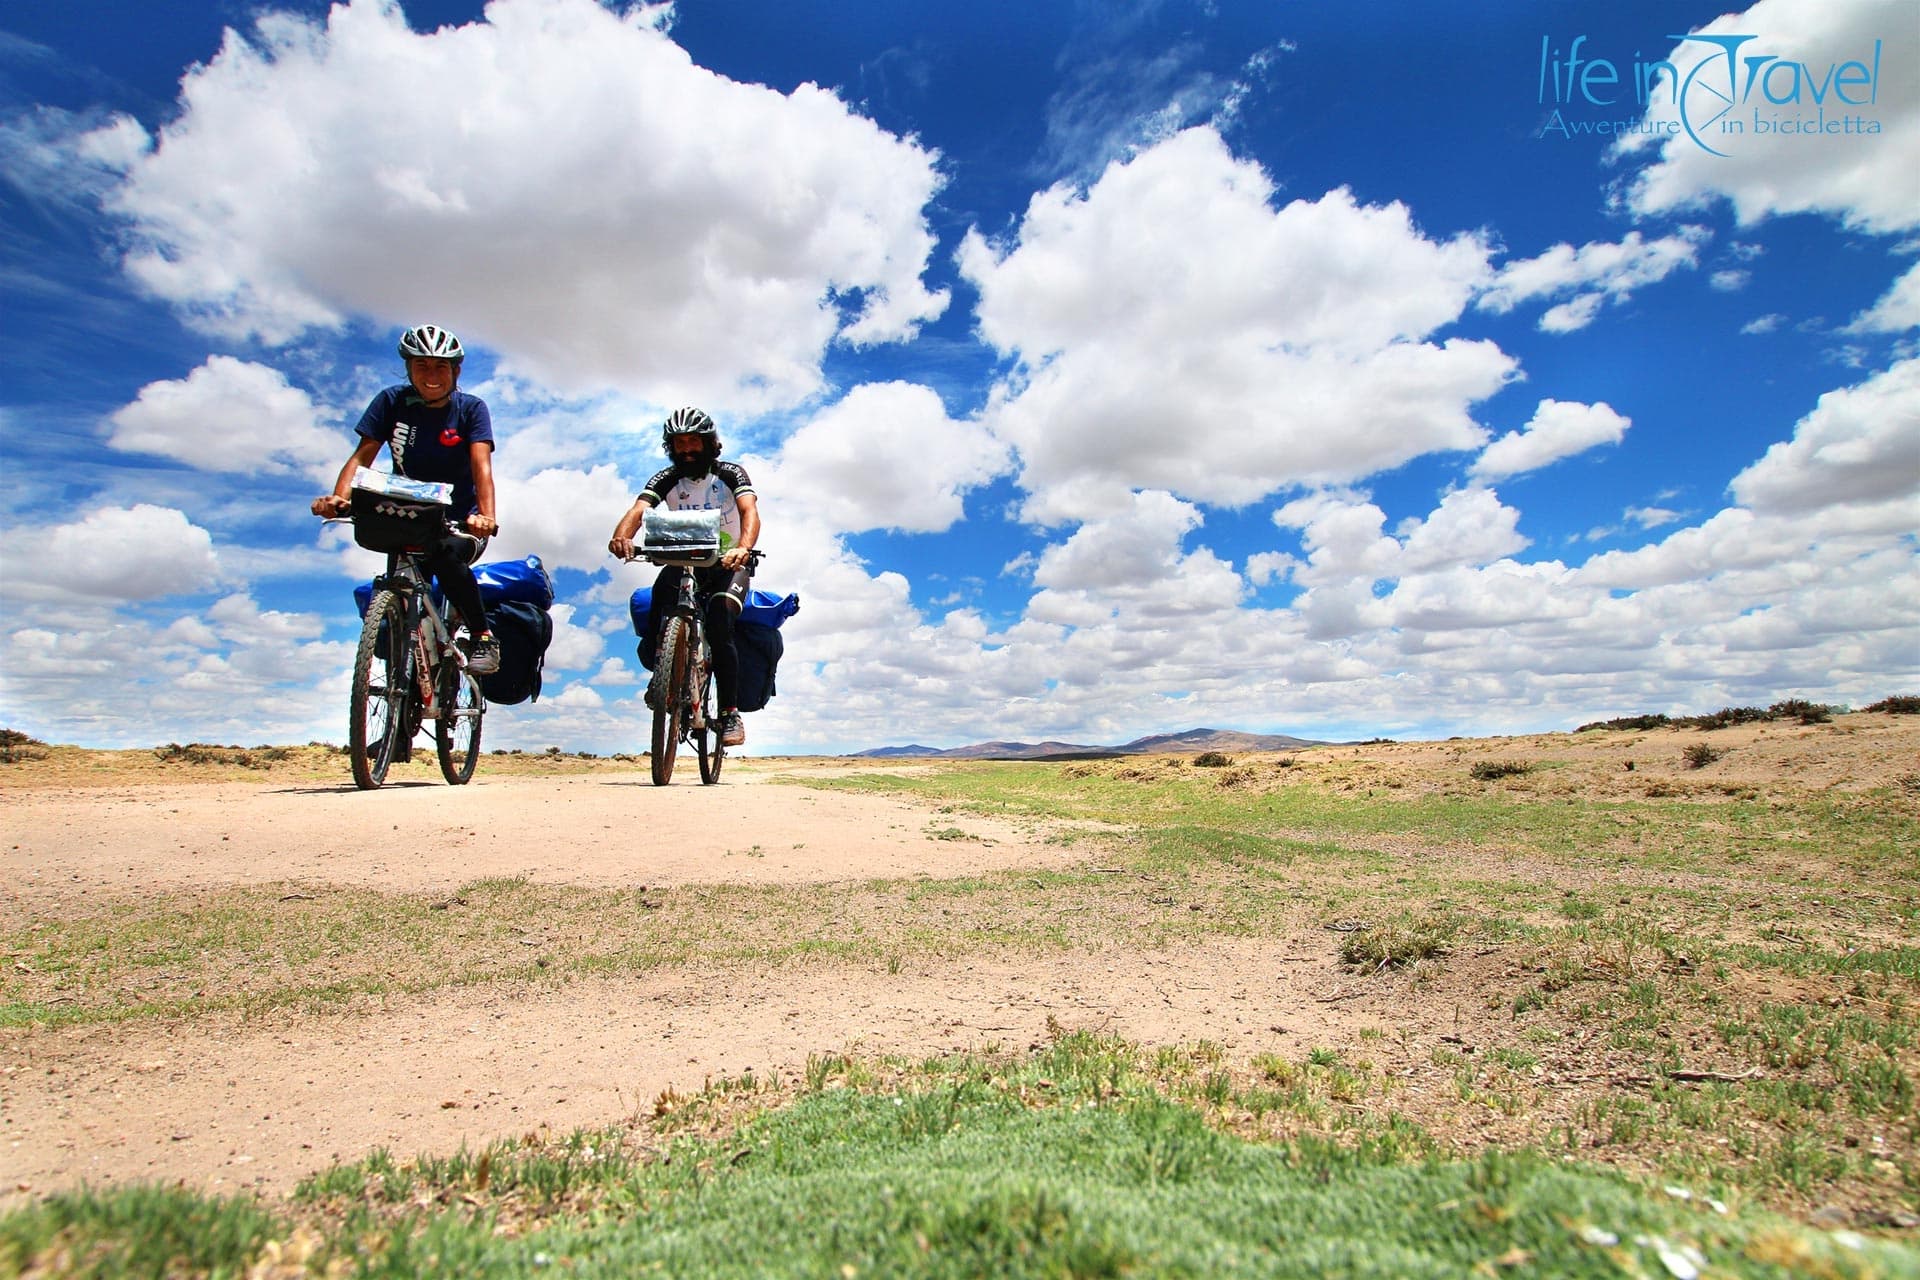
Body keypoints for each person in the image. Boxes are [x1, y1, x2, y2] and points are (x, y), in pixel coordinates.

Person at [312, 324, 502, 675]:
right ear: (409, 369)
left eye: (440, 367)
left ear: (455, 371)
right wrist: (339, 498)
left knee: (445, 559)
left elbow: (482, 468)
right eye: (422, 366)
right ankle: (401, 699)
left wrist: (485, 517)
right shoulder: (391, 402)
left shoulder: (471, 409)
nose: (431, 375)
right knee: (398, 586)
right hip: (407, 517)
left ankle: (483, 636)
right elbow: (361, 456)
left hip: (458, 523)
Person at [608, 407, 760, 747]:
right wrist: (622, 536)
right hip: (684, 561)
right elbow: (638, 511)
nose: (687, 449)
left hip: (726, 564)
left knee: (721, 622)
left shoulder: (730, 473)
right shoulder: (666, 478)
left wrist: (744, 549)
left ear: (709, 443)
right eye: (679, 443)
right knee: (659, 601)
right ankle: (663, 676)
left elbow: (750, 511)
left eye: (694, 441)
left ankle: (730, 713)